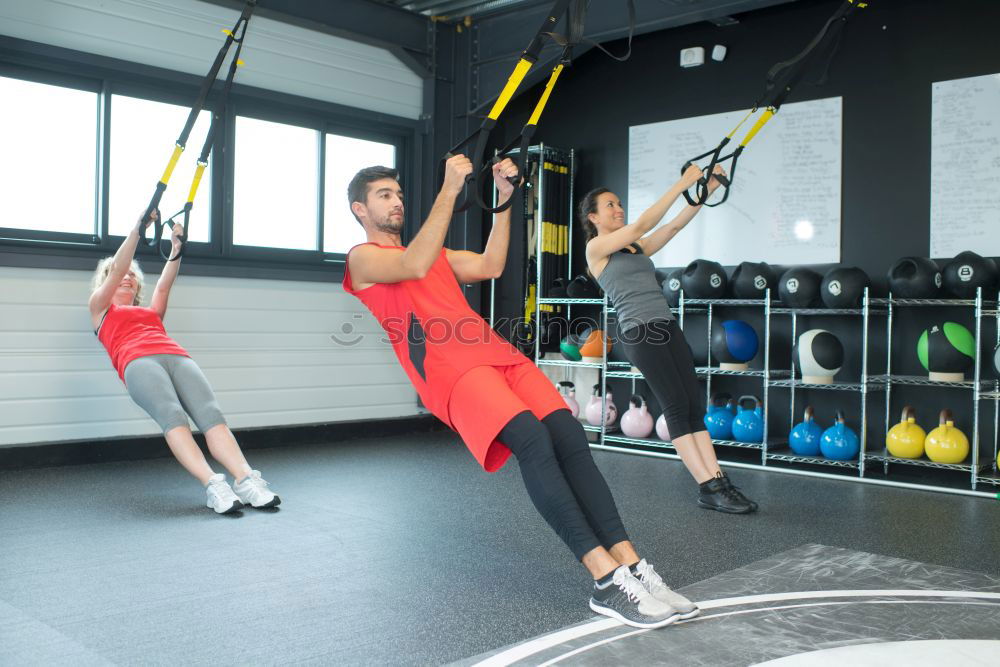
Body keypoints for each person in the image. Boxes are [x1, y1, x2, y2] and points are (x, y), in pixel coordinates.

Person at [341, 156, 699, 628]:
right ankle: (605, 582)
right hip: (452, 371)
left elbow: (490, 264)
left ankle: (631, 565)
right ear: (359, 209)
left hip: (496, 355)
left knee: (570, 437)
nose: (396, 201)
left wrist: (506, 201)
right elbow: (413, 261)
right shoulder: (362, 258)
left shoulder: (436, 255)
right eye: (384, 195)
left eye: (399, 193)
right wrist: (450, 186)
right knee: (532, 440)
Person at [582, 165, 758, 514]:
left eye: (620, 203)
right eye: (610, 206)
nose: (619, 209)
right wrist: (682, 183)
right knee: (675, 406)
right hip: (639, 332)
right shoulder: (596, 248)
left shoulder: (635, 247)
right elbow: (641, 225)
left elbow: (673, 225)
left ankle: (719, 480)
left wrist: (706, 189)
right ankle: (707, 486)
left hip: (666, 326)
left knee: (694, 406)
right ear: (593, 217)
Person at [89, 211, 280, 514]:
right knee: (174, 417)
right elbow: (118, 269)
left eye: (132, 276)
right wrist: (138, 229)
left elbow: (163, 287)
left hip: (176, 357)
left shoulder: (150, 312)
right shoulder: (100, 309)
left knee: (212, 415)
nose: (126, 276)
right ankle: (214, 485)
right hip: (138, 363)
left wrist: (177, 248)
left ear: (138, 285)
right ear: (107, 280)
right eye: (119, 274)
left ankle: (246, 480)